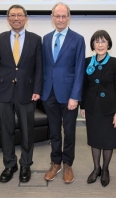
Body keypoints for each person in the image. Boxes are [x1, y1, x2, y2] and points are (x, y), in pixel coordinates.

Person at [0, 5, 42, 183]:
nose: (16, 18)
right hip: (4, 91)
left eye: (19, 15)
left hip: (27, 92)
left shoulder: (36, 39)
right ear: (8, 19)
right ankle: (9, 165)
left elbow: (39, 68)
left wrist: (37, 90)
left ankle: (26, 165)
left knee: (27, 132)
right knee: (6, 130)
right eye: (12, 15)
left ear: (26, 18)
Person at [41, 2, 85, 183]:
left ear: (69, 18)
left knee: (69, 131)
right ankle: (55, 162)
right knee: (53, 131)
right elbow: (43, 66)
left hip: (68, 95)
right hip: (48, 93)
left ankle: (68, 164)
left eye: (63, 16)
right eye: (57, 16)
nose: (60, 19)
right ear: (52, 17)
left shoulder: (78, 39)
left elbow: (80, 69)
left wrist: (75, 96)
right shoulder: (45, 38)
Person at [80, 30, 116, 187]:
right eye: (97, 41)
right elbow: (84, 86)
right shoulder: (87, 62)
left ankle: (105, 169)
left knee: (107, 140)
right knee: (95, 139)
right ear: (93, 44)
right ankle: (96, 168)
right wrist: (83, 105)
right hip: (93, 108)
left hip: (109, 109)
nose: (100, 45)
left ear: (108, 44)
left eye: (103, 41)